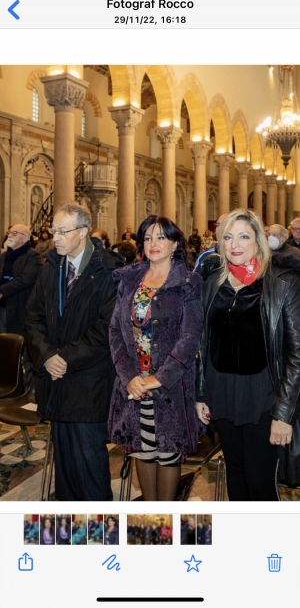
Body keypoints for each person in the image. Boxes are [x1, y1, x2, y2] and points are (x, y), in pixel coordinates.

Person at [196, 208, 300, 500]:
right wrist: (201, 394)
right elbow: (203, 345)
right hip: (223, 393)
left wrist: (283, 414)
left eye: (243, 236)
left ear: (259, 241)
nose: (234, 245)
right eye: (228, 237)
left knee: (260, 483)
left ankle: (271, 547)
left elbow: (297, 355)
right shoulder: (213, 283)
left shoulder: (283, 283)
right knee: (236, 478)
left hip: (264, 397)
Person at [25, 203, 121, 501]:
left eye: (62, 231)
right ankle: (71, 529)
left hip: (88, 381)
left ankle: (101, 534)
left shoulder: (108, 270)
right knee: (65, 464)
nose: (55, 237)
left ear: (82, 232)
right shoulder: (51, 266)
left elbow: (107, 329)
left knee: (89, 464)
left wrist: (64, 358)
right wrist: (47, 356)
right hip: (55, 379)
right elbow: (33, 317)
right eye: (54, 230)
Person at [108, 214, 204, 501]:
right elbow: (115, 330)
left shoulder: (189, 281)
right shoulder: (129, 279)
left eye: (161, 237)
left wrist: (158, 379)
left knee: (167, 453)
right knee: (141, 448)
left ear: (175, 243)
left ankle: (168, 520)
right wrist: (129, 377)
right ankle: (149, 520)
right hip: (134, 384)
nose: (153, 243)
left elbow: (190, 338)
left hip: (170, 386)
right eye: (148, 237)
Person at [0, 224, 42, 387]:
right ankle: (6, 381)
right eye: (9, 233)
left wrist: (2, 291)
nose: (10, 235)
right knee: (4, 346)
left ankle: (26, 385)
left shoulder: (32, 256)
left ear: (25, 238)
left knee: (23, 348)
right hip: (3, 308)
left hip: (20, 308)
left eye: (15, 233)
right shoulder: (4, 256)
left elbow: (26, 279)